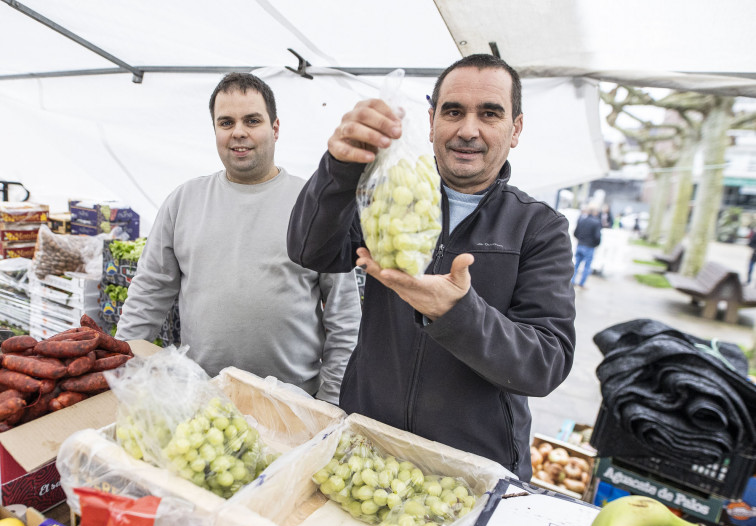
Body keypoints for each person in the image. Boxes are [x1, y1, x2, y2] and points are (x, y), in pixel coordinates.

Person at [287, 54, 576, 479]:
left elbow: (545, 363)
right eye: (453, 111)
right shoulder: (389, 195)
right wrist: (340, 166)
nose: (468, 130)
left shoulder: (538, 228)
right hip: (368, 449)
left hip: (469, 470)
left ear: (515, 129)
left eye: (489, 114)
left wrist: (457, 314)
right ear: (431, 120)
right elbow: (310, 249)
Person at [116, 72, 361, 403]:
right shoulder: (184, 201)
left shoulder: (315, 205)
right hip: (202, 400)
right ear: (215, 130)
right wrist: (122, 373)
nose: (239, 132)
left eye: (252, 120)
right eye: (226, 122)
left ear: (275, 128)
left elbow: (344, 317)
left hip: (294, 404)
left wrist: (331, 403)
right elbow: (148, 294)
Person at [572, 205, 603, 289]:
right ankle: (581, 283)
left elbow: (575, 232)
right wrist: (596, 244)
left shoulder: (582, 220)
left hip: (580, 244)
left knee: (576, 264)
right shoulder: (596, 222)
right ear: (595, 212)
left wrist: (580, 240)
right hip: (589, 247)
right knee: (587, 267)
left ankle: (572, 281)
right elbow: (597, 237)